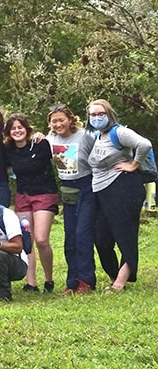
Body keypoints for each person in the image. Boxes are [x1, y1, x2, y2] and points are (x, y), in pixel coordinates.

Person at [87, 99, 152, 292]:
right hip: (101, 192)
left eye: (101, 114)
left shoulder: (119, 132)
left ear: (109, 114)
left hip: (123, 188)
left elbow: (144, 144)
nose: (97, 118)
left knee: (125, 235)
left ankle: (119, 283)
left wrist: (133, 165)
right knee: (100, 238)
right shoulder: (97, 136)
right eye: (93, 115)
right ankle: (114, 275)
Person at [3, 114, 58, 293]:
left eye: (20, 127)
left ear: (27, 129)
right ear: (9, 133)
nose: (17, 131)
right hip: (23, 196)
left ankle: (49, 279)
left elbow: (59, 150)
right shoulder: (9, 151)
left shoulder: (41, 144)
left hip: (44, 194)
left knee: (42, 239)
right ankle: (31, 282)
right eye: (13, 129)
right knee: (27, 240)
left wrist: (45, 135)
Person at [46, 105, 96, 294]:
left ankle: (86, 281)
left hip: (87, 187)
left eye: (61, 120)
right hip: (67, 190)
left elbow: (101, 157)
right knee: (70, 238)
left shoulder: (85, 136)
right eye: (54, 121)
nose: (58, 124)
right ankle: (72, 282)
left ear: (71, 119)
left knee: (83, 235)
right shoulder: (50, 139)